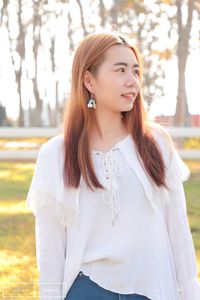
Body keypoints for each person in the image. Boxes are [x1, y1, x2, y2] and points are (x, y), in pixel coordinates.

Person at [26, 31, 200, 300]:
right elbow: (50, 249)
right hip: (86, 290)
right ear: (88, 80)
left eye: (136, 71)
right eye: (120, 70)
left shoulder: (156, 145)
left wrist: (190, 293)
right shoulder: (56, 154)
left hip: (152, 290)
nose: (133, 82)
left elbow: (178, 230)